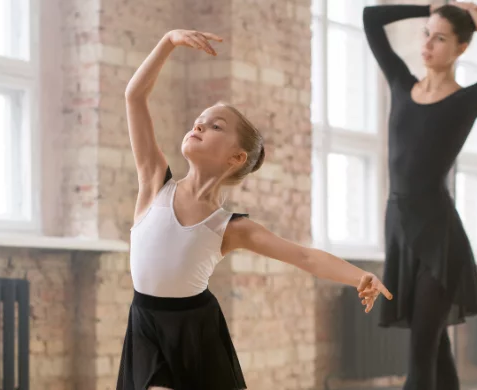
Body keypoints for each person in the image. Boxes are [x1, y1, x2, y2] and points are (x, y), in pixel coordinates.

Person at [118, 29, 393, 390]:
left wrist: (359, 277)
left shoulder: (229, 227)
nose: (199, 125)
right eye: (199, 121)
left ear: (236, 157)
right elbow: (134, 97)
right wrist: (168, 41)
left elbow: (304, 257)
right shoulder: (155, 181)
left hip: (197, 331)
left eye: (216, 126)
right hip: (145, 325)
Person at [363, 2, 477, 389]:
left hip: (440, 241)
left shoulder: (466, 101)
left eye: (439, 38)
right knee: (436, 350)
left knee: (421, 353)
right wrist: (431, 7)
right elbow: (370, 17)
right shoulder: (400, 83)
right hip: (400, 231)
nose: (427, 44)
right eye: (426, 33)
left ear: (460, 48)